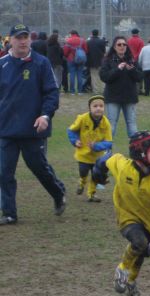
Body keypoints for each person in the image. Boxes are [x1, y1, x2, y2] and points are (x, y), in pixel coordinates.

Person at [92, 131, 150, 296]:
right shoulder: (124, 167)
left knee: (142, 252)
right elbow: (105, 160)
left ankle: (131, 281)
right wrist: (98, 174)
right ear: (140, 154)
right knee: (139, 242)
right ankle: (122, 269)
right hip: (127, 216)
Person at [0, 24, 66, 225]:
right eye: (18, 37)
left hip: (33, 129)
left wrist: (45, 116)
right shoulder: (2, 64)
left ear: (30, 39)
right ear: (10, 40)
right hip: (6, 129)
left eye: (25, 37)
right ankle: (9, 213)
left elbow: (51, 93)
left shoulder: (41, 63)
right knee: (4, 172)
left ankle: (58, 193)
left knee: (39, 168)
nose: (22, 41)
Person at [67, 95, 112, 202]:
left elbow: (109, 143)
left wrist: (96, 146)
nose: (98, 108)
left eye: (101, 106)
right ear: (90, 108)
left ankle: (91, 194)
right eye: (95, 106)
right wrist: (75, 141)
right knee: (83, 172)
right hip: (83, 155)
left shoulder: (106, 123)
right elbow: (70, 130)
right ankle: (82, 183)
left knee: (96, 176)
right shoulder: (82, 118)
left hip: (97, 157)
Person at [100, 36, 143, 137]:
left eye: (124, 44)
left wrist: (132, 70)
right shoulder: (108, 60)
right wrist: (117, 69)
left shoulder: (132, 60)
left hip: (129, 97)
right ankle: (107, 150)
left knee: (132, 124)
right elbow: (104, 77)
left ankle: (135, 150)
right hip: (113, 97)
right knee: (111, 125)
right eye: (119, 44)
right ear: (114, 47)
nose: (122, 46)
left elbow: (140, 77)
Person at [64, 30, 88, 94]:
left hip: (71, 59)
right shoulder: (82, 40)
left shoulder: (68, 41)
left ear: (71, 34)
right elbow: (86, 50)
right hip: (80, 59)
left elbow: (65, 51)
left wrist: (67, 56)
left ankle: (72, 91)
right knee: (80, 74)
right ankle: (80, 91)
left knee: (72, 74)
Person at [86, 29, 106, 94]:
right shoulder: (102, 41)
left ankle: (96, 90)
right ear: (98, 33)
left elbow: (87, 52)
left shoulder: (88, 42)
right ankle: (104, 90)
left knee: (94, 76)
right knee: (102, 75)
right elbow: (104, 51)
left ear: (92, 33)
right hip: (101, 61)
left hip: (92, 61)